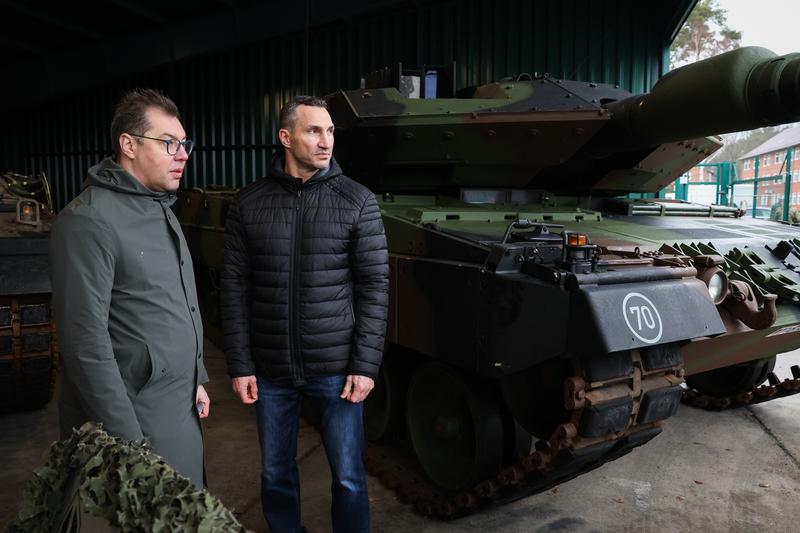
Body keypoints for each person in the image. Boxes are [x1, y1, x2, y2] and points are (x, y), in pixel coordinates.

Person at [221, 95, 389, 532]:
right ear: (285, 137)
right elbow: (234, 291)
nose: (326, 141)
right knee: (276, 476)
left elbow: (375, 287)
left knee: (350, 479)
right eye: (314, 130)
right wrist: (240, 365)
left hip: (335, 370)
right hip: (271, 369)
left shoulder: (358, 201)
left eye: (330, 131)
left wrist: (365, 365)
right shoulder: (248, 204)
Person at [50, 89, 209, 488]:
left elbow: (181, 304)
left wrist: (198, 375)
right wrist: (129, 443)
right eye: (168, 143)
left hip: (178, 403)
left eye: (184, 143)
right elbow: (84, 344)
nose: (183, 153)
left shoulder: (159, 209)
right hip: (138, 419)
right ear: (129, 145)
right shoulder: (89, 221)